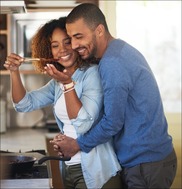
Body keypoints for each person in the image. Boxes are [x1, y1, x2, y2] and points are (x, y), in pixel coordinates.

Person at [51, 3, 177, 189]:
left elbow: (113, 122)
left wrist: (77, 144)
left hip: (145, 165)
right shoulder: (119, 50)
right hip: (149, 160)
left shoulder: (112, 63)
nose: (75, 45)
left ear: (99, 30)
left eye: (79, 36)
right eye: (71, 38)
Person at [4, 17, 122, 189]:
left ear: (76, 43)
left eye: (67, 42)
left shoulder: (92, 74)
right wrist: (14, 72)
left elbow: (82, 125)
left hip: (96, 171)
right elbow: (24, 104)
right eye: (55, 45)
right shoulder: (58, 82)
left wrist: (68, 85)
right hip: (68, 168)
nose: (62, 50)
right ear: (48, 51)